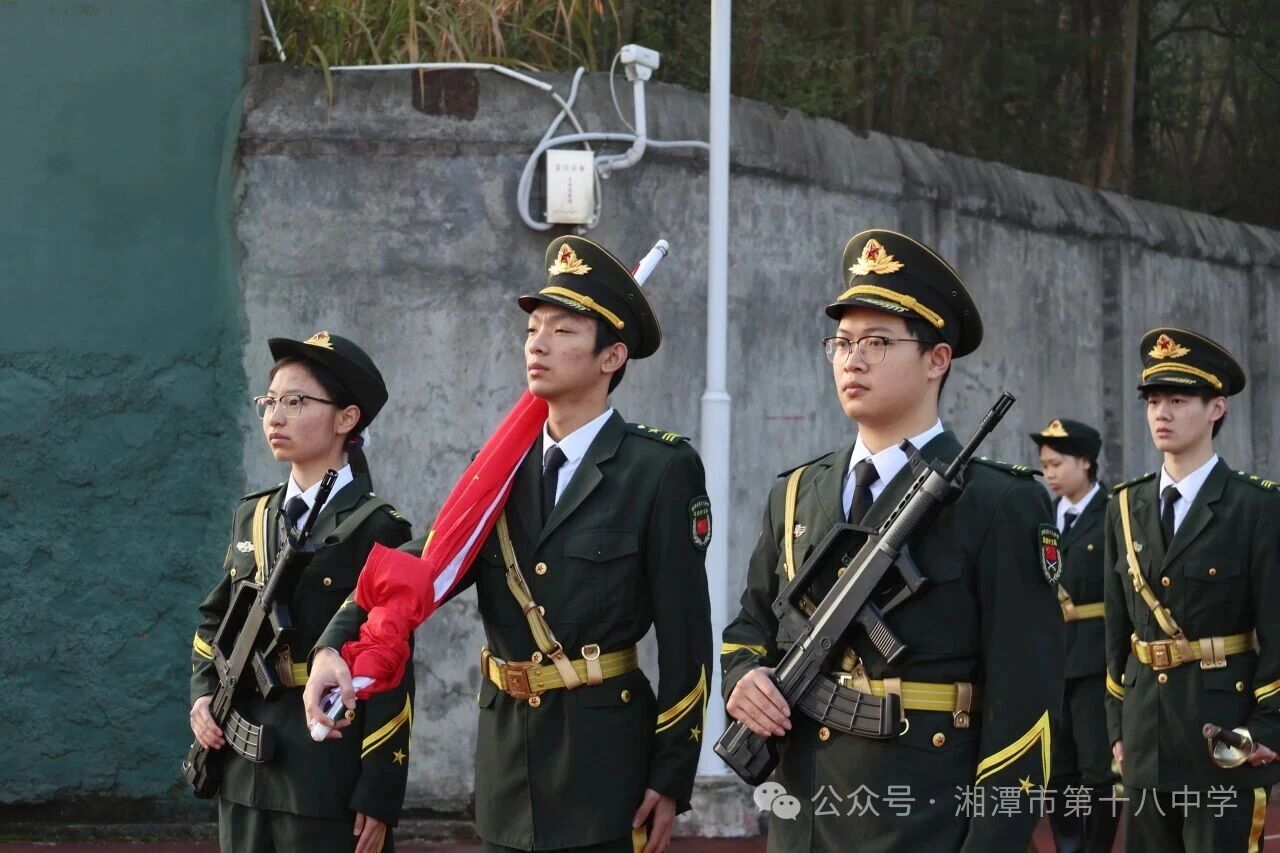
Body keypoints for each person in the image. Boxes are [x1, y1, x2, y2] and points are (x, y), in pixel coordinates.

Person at [305, 236, 713, 853]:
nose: (539, 344)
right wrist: (334, 644)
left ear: (613, 356)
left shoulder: (657, 470)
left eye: (564, 330)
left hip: (605, 766)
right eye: (532, 329)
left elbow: (687, 635)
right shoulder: (497, 471)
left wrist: (672, 773)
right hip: (506, 763)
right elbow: (425, 563)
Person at [721, 229, 1064, 851]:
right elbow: (750, 625)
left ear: (938, 359)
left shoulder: (1000, 503)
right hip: (804, 821)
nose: (853, 359)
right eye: (843, 342)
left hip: (923, 825)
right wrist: (745, 678)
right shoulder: (796, 494)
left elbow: (1026, 705)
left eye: (878, 342)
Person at [189, 331, 414, 853]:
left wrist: (378, 790)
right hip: (242, 763)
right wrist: (201, 695)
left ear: (346, 419)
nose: (275, 416)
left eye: (296, 402)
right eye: (270, 401)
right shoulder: (255, 514)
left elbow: (394, 664)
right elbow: (214, 619)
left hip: (325, 769)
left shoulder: (375, 527)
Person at [1103, 327, 1280, 852]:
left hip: (1223, 736)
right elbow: (1117, 631)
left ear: (1216, 409)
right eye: (1154, 400)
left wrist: (1268, 724)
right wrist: (1117, 727)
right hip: (1143, 736)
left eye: (1178, 400)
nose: (1162, 413)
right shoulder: (1124, 507)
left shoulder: (1256, 509)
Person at [1030, 418, 1118, 851]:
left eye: (1057, 463)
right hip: (1053, 659)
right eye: (1044, 465)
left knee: (1096, 766)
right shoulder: (1043, 516)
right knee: (1057, 764)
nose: (1048, 473)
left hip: (1097, 657)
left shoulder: (1113, 514)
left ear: (1085, 462)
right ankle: (1068, 846)